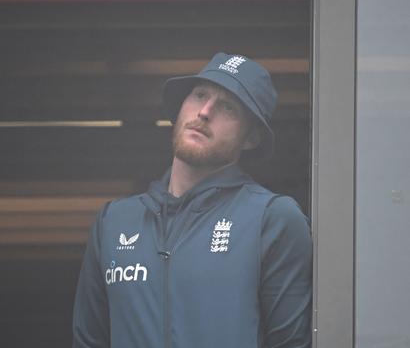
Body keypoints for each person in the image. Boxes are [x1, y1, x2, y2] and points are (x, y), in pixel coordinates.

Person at [72, 53, 312, 348]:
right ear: (181, 106)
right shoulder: (114, 221)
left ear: (251, 138)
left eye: (228, 107)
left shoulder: (271, 218)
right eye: (199, 94)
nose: (205, 111)